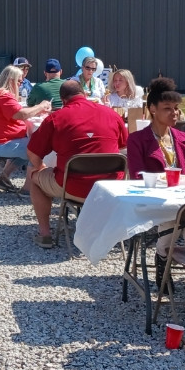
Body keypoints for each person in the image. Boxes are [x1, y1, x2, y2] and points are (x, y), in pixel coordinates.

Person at [128, 77, 185, 317]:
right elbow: (137, 177)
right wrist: (166, 180)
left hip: (183, 201)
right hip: (156, 201)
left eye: (176, 108)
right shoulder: (138, 140)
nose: (174, 113)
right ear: (152, 109)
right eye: (167, 108)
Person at [27, 80, 128, 248]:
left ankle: (45, 234)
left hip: (73, 187)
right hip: (110, 187)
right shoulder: (111, 114)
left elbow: (33, 153)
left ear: (63, 100)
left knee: (34, 178)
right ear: (85, 94)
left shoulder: (56, 118)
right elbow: (124, 147)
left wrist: (40, 168)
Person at [0, 65, 51, 192]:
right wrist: (41, 106)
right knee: (36, 149)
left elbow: (17, 114)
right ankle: (28, 189)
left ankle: (3, 178)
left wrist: (35, 111)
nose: (20, 84)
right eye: (19, 81)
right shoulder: (4, 96)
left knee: (31, 145)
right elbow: (21, 114)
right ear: (11, 80)